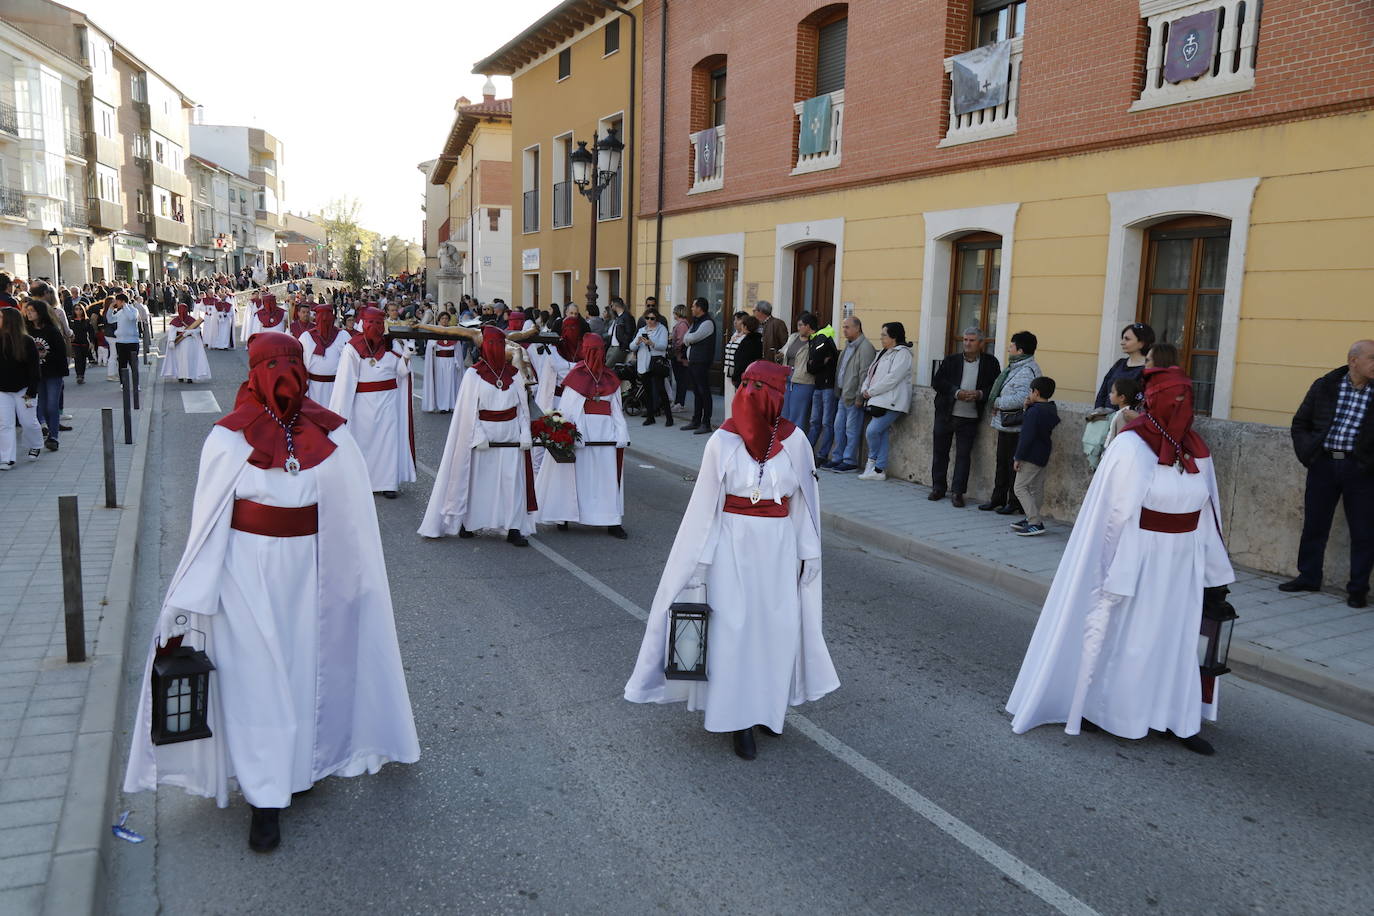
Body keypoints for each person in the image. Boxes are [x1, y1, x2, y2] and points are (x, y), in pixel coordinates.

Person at [123, 332, 420, 852]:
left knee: (309, 671)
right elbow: (207, 523)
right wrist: (195, 596)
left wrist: (355, 585)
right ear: (256, 371)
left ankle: (300, 768)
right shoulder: (227, 439)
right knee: (258, 679)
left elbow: (352, 522)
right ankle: (264, 798)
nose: (283, 376)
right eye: (273, 366)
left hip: (314, 576)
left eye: (291, 365)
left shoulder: (335, 437)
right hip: (245, 575)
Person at [1006, 366, 1235, 756]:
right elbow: (1111, 516)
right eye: (1172, 397)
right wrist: (1111, 569)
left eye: (1186, 397)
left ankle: (1176, 717)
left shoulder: (1197, 447)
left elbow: (1208, 510)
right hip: (1139, 556)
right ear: (1154, 399)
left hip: (1183, 563)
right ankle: (1108, 711)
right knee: (1134, 637)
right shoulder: (1131, 445)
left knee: (1177, 641)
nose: (1180, 405)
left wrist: (1215, 573)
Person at [624, 360, 839, 760]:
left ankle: (768, 712)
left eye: (760, 388)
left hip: (778, 549)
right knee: (735, 632)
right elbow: (706, 507)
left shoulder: (796, 442)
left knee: (775, 630)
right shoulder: (721, 442)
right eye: (746, 385)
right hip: (731, 549)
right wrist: (700, 563)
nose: (749, 394)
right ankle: (736, 718)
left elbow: (805, 505)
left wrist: (809, 552)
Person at [418, 326, 537, 547]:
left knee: (511, 483)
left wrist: (525, 432)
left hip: (510, 436)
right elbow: (468, 411)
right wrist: (478, 434)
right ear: (483, 346)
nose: (496, 349)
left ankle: (512, 527)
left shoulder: (514, 374)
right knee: (478, 482)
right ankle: (470, 522)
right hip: (483, 437)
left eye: (500, 345)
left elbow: (522, 407)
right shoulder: (473, 375)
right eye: (492, 344)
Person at [1283, 340, 1374, 609]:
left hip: (1360, 470)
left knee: (1364, 532)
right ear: (1353, 361)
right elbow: (1301, 423)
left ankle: (1358, 589)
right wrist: (1309, 455)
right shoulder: (1325, 386)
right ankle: (1308, 577)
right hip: (1323, 464)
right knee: (1314, 524)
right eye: (1372, 358)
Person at [535, 336, 629, 538]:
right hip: (583, 434)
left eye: (599, 350)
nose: (597, 355)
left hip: (606, 434)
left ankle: (611, 520)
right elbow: (568, 409)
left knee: (607, 479)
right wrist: (570, 435)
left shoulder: (610, 377)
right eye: (593, 350)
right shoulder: (576, 376)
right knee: (576, 477)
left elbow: (616, 408)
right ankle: (566, 515)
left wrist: (621, 433)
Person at [328, 307, 416, 499]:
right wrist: (339, 415)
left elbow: (401, 372)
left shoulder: (391, 345)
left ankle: (388, 483)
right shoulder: (352, 348)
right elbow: (345, 381)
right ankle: (362, 481)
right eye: (371, 323)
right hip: (362, 405)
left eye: (379, 323)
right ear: (363, 323)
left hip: (388, 402)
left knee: (388, 443)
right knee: (363, 442)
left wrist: (407, 354)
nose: (375, 327)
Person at [928, 326, 1000, 504]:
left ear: (981, 343)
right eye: (965, 340)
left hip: (970, 417)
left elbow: (997, 386)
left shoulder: (990, 363)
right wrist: (956, 392)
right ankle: (938, 487)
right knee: (940, 452)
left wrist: (980, 394)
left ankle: (958, 492)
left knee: (963, 455)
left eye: (971, 340)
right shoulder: (951, 360)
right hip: (946, 413)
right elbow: (937, 382)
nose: (967, 343)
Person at [979, 331, 1041, 514]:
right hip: (1006, 424)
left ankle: (1013, 502)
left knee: (1012, 465)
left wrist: (996, 402)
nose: (1008, 348)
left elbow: (1022, 397)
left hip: (1015, 425)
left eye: (1012, 345)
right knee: (1002, 463)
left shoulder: (1026, 370)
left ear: (1020, 350)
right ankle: (998, 498)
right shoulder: (1016, 367)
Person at [857, 322, 913, 482]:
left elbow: (892, 379)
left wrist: (871, 391)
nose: (881, 338)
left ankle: (872, 462)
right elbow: (871, 372)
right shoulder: (883, 352)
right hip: (879, 400)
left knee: (872, 431)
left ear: (894, 337)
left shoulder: (903, 354)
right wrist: (865, 388)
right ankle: (879, 470)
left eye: (884, 335)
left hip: (894, 401)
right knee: (879, 433)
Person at [822, 316, 876, 473]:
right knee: (839, 428)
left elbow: (865, 374)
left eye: (847, 327)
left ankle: (849, 460)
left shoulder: (865, 347)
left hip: (854, 397)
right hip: (843, 395)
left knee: (851, 430)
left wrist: (860, 396)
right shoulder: (849, 346)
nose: (844, 330)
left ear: (857, 328)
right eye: (843, 326)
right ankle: (837, 457)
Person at [1010, 377, 1060, 536]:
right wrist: (1027, 409)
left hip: (1030, 455)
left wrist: (1018, 457)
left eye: (1030, 391)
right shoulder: (1050, 409)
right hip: (1043, 453)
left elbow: (1027, 436)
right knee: (1036, 488)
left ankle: (1034, 522)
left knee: (1019, 487)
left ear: (1036, 392)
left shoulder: (1034, 412)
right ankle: (1033, 517)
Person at [0, 307, 43, 468]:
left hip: (24, 390)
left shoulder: (27, 341)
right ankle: (7, 458)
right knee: (5, 423)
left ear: (9, 321)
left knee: (28, 422)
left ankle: (36, 444)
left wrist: (32, 391)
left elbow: (34, 369)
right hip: (3, 390)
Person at [24, 299, 67, 451]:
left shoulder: (52, 331)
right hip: (37, 374)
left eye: (32, 311)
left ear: (40, 313)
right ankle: (49, 433)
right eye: (27, 311)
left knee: (51, 405)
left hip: (53, 373)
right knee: (41, 405)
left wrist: (44, 356)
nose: (28, 313)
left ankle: (54, 437)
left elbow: (61, 353)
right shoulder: (27, 331)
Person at [299, 304, 347, 406]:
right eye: (322, 316)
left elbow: (349, 361)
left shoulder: (343, 335)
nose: (325, 319)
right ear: (316, 318)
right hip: (314, 387)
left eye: (327, 315)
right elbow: (300, 363)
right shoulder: (306, 337)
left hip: (337, 386)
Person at [631, 310, 672, 426]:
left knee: (661, 390)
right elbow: (631, 346)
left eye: (652, 318)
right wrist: (637, 342)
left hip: (656, 364)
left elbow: (664, 346)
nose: (649, 320)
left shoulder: (662, 329)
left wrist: (651, 343)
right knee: (647, 392)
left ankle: (669, 417)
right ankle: (650, 417)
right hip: (644, 364)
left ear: (657, 319)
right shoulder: (641, 330)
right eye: (647, 318)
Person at [681, 298, 716, 434]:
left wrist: (688, 338)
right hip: (694, 361)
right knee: (697, 392)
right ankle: (696, 420)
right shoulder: (697, 321)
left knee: (704, 392)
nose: (691, 308)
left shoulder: (707, 323)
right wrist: (688, 338)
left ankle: (706, 423)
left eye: (693, 306)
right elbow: (686, 337)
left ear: (700, 308)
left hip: (702, 362)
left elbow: (691, 338)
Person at [805, 318, 839, 455]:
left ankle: (822, 454)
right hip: (818, 385)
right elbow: (810, 366)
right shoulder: (815, 339)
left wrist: (816, 363)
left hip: (828, 386)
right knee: (814, 421)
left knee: (826, 423)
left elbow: (816, 360)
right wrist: (819, 363)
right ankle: (807, 451)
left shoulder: (823, 338)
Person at [420, 312, 462, 413]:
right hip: (439, 361)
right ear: (439, 320)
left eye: (446, 319)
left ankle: (451, 404)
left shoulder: (453, 332)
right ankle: (441, 406)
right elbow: (430, 348)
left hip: (451, 361)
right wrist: (433, 344)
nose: (444, 320)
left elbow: (458, 349)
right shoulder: (434, 332)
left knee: (450, 383)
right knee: (440, 384)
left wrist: (457, 361)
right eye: (442, 318)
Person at [780, 315, 816, 430]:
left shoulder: (814, 341)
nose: (798, 328)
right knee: (784, 414)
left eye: (801, 325)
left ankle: (795, 443)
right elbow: (784, 350)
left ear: (808, 326)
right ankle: (784, 441)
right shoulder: (793, 337)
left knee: (798, 416)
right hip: (787, 379)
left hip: (803, 381)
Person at [161, 303, 211, 384]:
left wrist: (189, 332)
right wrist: (171, 341)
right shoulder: (176, 321)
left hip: (190, 342)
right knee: (179, 359)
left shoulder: (191, 320)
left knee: (189, 359)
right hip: (179, 342)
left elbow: (198, 330)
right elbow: (172, 331)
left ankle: (189, 376)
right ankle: (180, 376)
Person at [724, 313, 762, 421]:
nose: (736, 323)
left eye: (740, 321)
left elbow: (742, 360)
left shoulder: (747, 341)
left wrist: (736, 377)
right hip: (739, 373)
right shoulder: (753, 340)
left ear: (746, 326)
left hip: (743, 376)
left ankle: (737, 423)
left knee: (740, 402)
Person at [1102, 376, 1143, 451]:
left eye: (1112, 392)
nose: (1109, 394)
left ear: (1121, 398)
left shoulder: (1123, 415)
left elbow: (1120, 438)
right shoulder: (1124, 413)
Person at [69, 304, 99, 385]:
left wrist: (92, 342)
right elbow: (67, 331)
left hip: (84, 343)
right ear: (74, 310)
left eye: (80, 309)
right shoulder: (71, 320)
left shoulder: (86, 321)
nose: (78, 311)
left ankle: (82, 375)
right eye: (76, 309)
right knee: (77, 359)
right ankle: (78, 375)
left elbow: (91, 332)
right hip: (75, 343)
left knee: (83, 360)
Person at [670, 305, 690, 414]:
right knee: (679, 380)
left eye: (674, 312)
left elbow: (681, 341)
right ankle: (678, 402)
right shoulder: (682, 324)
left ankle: (680, 404)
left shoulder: (682, 324)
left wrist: (674, 348)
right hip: (679, 356)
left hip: (680, 357)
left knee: (681, 380)